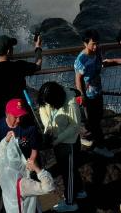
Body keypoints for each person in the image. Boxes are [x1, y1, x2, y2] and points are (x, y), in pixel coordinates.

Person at [37, 82, 84, 211]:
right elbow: (42, 109)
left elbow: (75, 126)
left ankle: (70, 202)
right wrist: (49, 127)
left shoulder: (71, 104)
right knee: (70, 169)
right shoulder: (49, 97)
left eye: (50, 103)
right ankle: (79, 190)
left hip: (69, 143)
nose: (49, 105)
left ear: (57, 99)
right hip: (58, 141)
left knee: (68, 172)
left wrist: (57, 139)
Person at [0, 33, 42, 121]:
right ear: (9, 51)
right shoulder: (19, 66)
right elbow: (38, 64)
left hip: (2, 117)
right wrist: (38, 47)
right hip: (21, 115)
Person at [73, 29, 113, 158]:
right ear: (85, 43)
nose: (96, 46)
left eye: (97, 43)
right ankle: (100, 147)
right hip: (88, 95)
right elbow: (78, 79)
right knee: (94, 121)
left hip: (98, 91)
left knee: (97, 117)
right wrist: (81, 95)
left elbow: (99, 65)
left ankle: (85, 136)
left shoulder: (97, 53)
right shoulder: (81, 60)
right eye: (93, 44)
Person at [0, 132, 56, 213]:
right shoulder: (23, 184)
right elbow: (48, 188)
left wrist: (6, 140)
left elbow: (1, 152)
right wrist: (37, 169)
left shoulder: (1, 168)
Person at [0, 98, 41, 164]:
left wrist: (31, 161)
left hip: (26, 159)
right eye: (15, 117)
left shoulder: (30, 128)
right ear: (6, 114)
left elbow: (34, 148)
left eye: (21, 116)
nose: (18, 120)